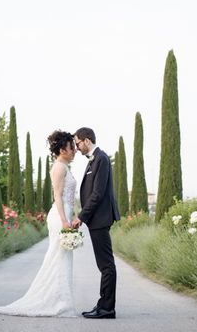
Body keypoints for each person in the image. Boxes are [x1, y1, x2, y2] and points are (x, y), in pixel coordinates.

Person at [0, 130, 78, 317]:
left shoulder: (64, 166)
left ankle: (62, 301)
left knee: (62, 258)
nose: (75, 150)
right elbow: (57, 197)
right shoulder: (59, 168)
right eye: (72, 147)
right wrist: (64, 221)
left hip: (66, 215)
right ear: (62, 149)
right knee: (58, 258)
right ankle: (59, 303)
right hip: (60, 217)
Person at [72, 127, 120, 319]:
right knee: (104, 264)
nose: (76, 147)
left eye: (77, 143)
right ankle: (103, 304)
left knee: (106, 264)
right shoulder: (95, 159)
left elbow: (98, 193)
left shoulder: (101, 159)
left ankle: (107, 308)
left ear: (87, 140)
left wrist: (81, 216)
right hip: (96, 220)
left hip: (100, 219)